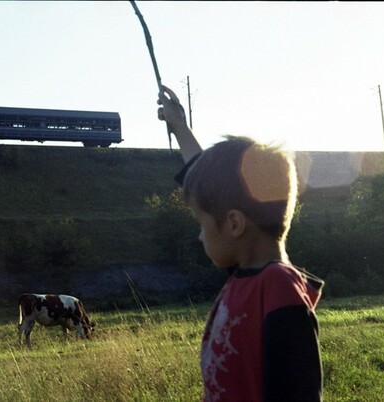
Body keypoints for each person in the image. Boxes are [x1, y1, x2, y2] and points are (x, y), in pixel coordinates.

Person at [157, 85, 324, 402]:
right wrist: (179, 127)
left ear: (234, 224)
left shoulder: (277, 287)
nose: (200, 236)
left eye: (201, 224)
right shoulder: (245, 275)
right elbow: (207, 183)